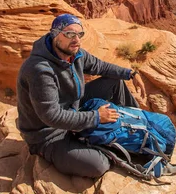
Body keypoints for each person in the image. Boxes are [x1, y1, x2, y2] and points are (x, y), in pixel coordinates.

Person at [16, 13, 146, 178]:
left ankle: (140, 125)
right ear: (55, 35)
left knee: (115, 82)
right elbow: (51, 116)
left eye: (80, 34)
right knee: (99, 166)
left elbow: (101, 67)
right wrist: (96, 117)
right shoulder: (39, 70)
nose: (76, 39)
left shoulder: (76, 55)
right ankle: (100, 142)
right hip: (48, 134)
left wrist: (130, 73)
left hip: (72, 107)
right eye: (70, 34)